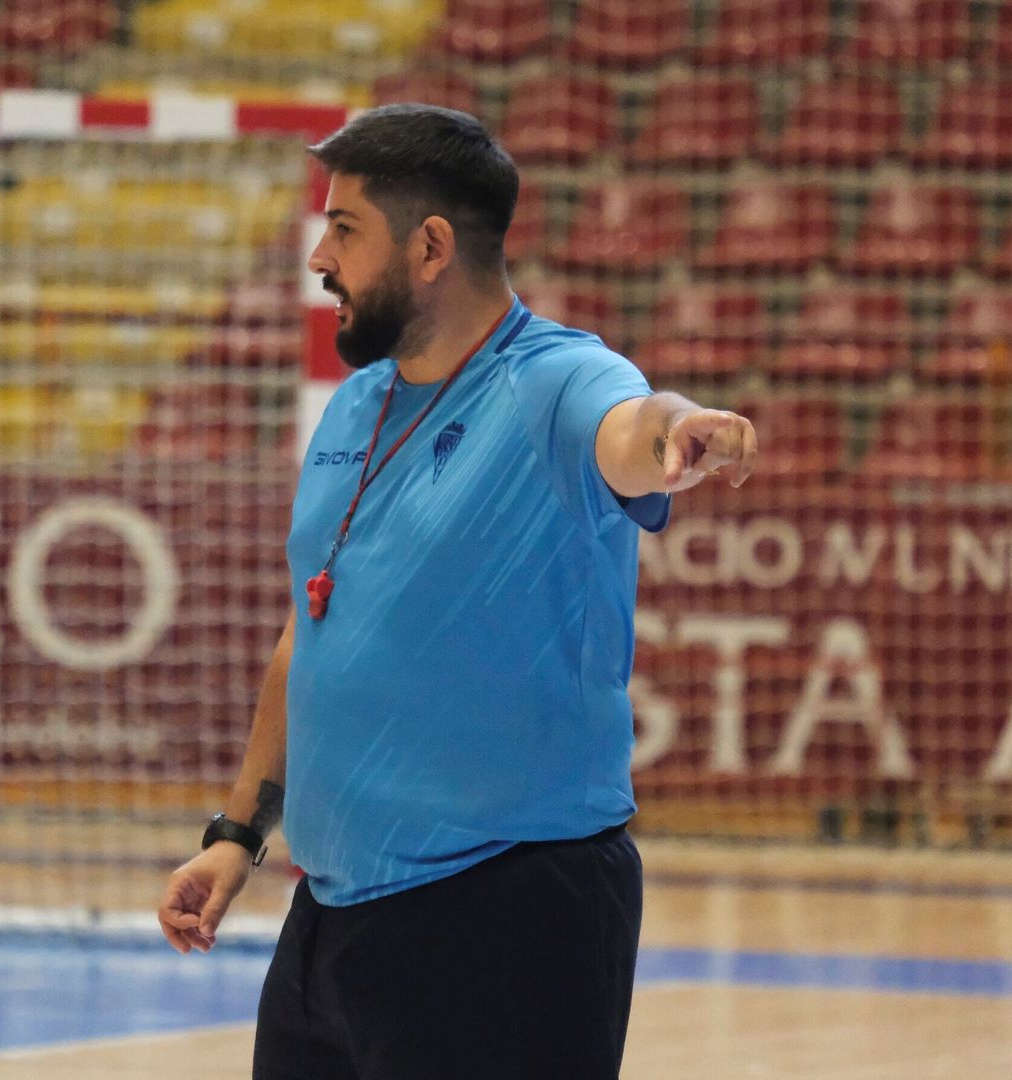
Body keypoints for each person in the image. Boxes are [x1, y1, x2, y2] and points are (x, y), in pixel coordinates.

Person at [157, 104, 758, 1080]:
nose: (319, 256)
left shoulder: (555, 380)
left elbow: (631, 426)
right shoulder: (358, 403)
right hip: (332, 918)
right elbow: (313, 628)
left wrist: (679, 432)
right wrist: (236, 835)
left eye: (344, 227)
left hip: (508, 914)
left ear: (429, 245)